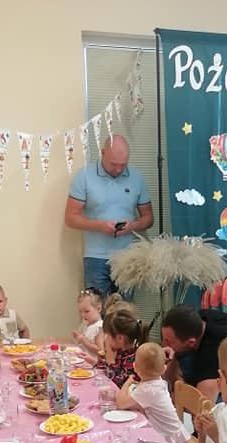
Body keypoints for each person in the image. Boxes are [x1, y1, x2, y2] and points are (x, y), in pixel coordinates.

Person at [65, 134, 154, 295]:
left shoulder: (136, 178)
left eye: (123, 165)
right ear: (103, 153)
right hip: (96, 257)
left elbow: (148, 218)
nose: (118, 169)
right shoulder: (84, 176)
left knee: (125, 309)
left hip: (128, 257)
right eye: (114, 164)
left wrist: (132, 226)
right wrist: (100, 226)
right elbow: (70, 218)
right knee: (96, 307)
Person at [116, 342, 191, 443]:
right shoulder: (157, 382)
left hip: (170, 441)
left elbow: (120, 403)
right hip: (176, 434)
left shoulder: (147, 389)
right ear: (164, 369)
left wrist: (127, 382)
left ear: (135, 367)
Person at [95, 296, 143, 388]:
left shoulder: (133, 358)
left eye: (108, 335)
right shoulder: (119, 351)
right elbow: (101, 371)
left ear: (120, 338)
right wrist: (103, 359)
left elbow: (120, 386)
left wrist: (111, 362)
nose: (106, 338)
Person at [72, 286, 105, 353]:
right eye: (80, 311)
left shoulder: (100, 327)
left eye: (86, 311)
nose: (83, 315)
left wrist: (83, 340)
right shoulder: (85, 324)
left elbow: (101, 351)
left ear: (98, 308)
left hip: (93, 359)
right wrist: (77, 338)